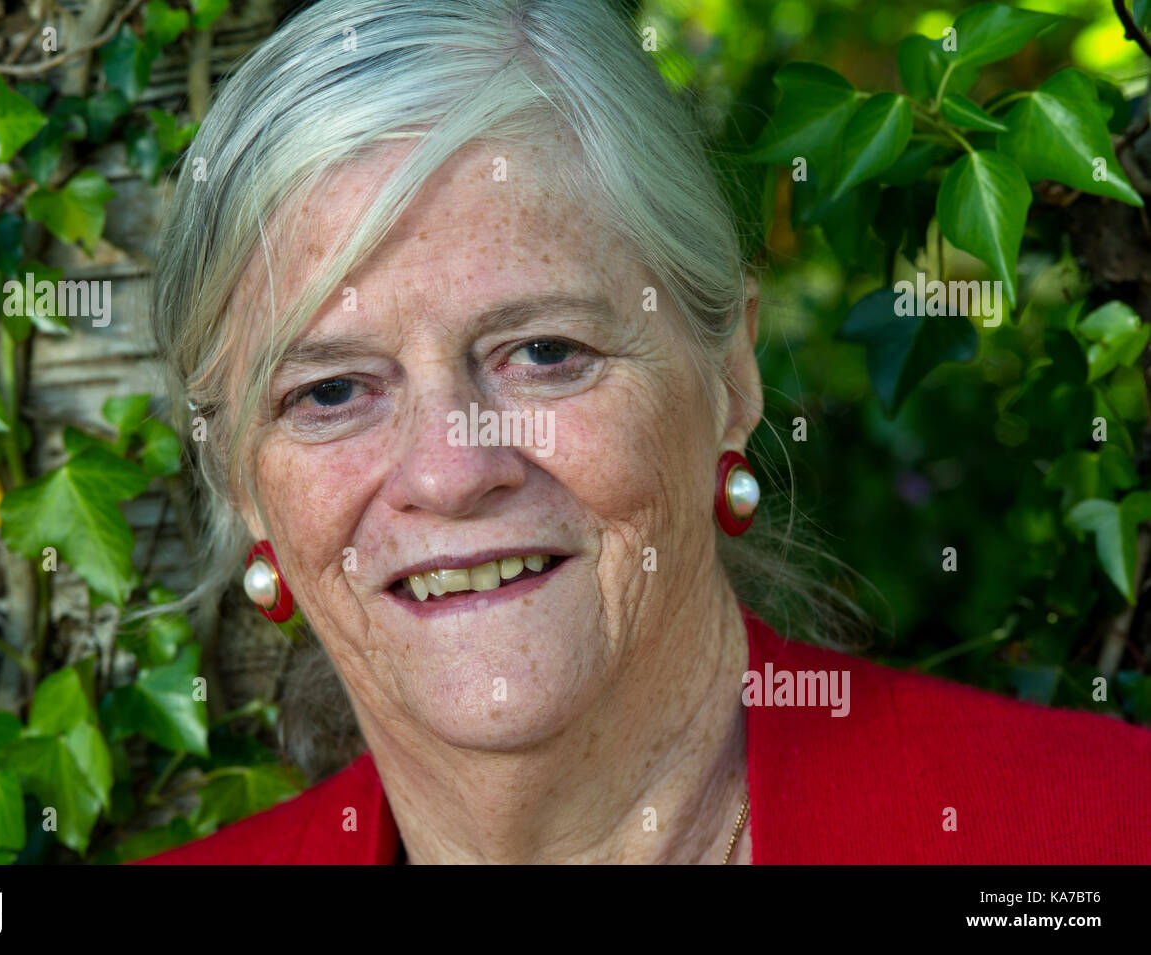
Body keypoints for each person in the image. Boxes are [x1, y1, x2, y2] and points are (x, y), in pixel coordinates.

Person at [135, 0, 1151, 864]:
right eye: (329, 393)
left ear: (729, 377)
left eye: (542, 352)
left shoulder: (1088, 834)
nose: (449, 471)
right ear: (233, 474)